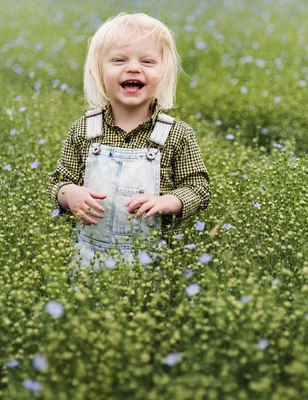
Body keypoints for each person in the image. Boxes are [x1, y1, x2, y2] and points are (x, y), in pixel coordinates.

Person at [47, 12, 210, 268]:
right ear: (99, 72)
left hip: (152, 261)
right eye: (119, 60)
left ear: (164, 73)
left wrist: (166, 202)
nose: (133, 68)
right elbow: (58, 183)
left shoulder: (177, 134)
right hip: (88, 258)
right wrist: (69, 195)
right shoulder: (83, 130)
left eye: (147, 61)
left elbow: (198, 189)